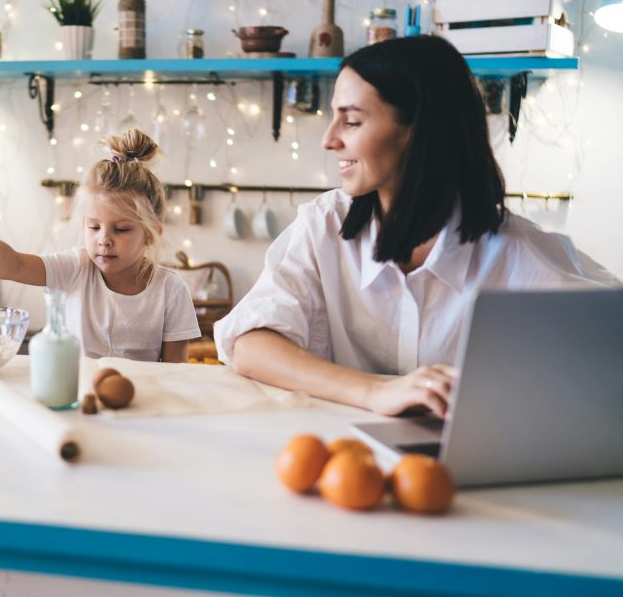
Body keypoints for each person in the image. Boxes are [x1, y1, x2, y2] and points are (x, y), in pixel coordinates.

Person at [215, 36, 619, 418]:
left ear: (419, 131)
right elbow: (250, 344)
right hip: (341, 460)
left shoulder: (518, 252)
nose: (329, 139)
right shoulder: (324, 225)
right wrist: (375, 391)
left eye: (351, 121)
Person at [0, 129, 201, 363]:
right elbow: (13, 266)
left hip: (140, 399)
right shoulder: (75, 268)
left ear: (150, 234)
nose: (104, 239)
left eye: (121, 229)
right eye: (93, 227)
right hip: (76, 392)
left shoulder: (170, 289)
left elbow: (174, 369)